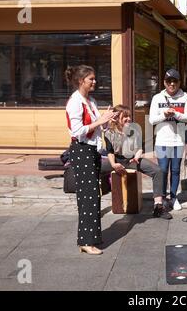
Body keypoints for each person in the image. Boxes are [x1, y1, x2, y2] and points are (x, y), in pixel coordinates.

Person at [65, 65, 117, 255]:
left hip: (92, 150)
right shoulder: (75, 102)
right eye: (91, 79)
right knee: (87, 196)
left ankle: (92, 238)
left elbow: (96, 128)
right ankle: (85, 241)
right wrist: (100, 121)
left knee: (94, 194)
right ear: (81, 81)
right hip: (81, 151)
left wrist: (107, 121)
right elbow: (77, 131)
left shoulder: (90, 101)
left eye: (94, 78)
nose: (94, 82)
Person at [102, 105, 172, 220]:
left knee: (157, 171)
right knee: (96, 169)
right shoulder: (109, 133)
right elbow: (110, 152)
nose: (128, 119)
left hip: (132, 160)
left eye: (129, 116)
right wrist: (114, 164)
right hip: (116, 160)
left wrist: (136, 157)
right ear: (117, 118)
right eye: (125, 116)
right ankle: (94, 205)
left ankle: (158, 207)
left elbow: (139, 148)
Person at [149, 69, 187, 211]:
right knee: (162, 170)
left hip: (178, 140)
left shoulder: (185, 97)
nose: (172, 84)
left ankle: (173, 198)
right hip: (162, 140)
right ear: (164, 83)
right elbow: (151, 120)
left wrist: (176, 114)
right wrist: (164, 114)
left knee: (175, 170)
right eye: (169, 81)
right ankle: (161, 199)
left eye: (175, 81)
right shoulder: (157, 98)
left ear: (179, 82)